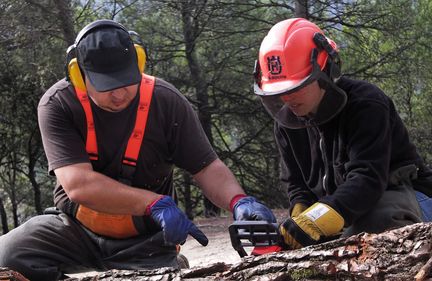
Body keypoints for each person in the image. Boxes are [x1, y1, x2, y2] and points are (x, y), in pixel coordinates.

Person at [0, 19, 275, 281]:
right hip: (74, 229)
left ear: (139, 63)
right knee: (6, 258)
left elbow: (206, 167)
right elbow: (78, 185)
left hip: (146, 240)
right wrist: (153, 202)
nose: (119, 95)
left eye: (125, 82)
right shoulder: (58, 105)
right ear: (79, 76)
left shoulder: (166, 101)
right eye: (106, 86)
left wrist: (239, 201)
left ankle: (169, 265)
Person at [252, 18, 432, 250]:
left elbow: (367, 178)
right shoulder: (288, 122)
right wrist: (301, 217)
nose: (288, 98)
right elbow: (297, 184)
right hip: (346, 204)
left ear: (325, 72)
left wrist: (318, 219)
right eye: (280, 91)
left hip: (402, 192)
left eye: (297, 87)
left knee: (371, 227)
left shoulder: (365, 103)